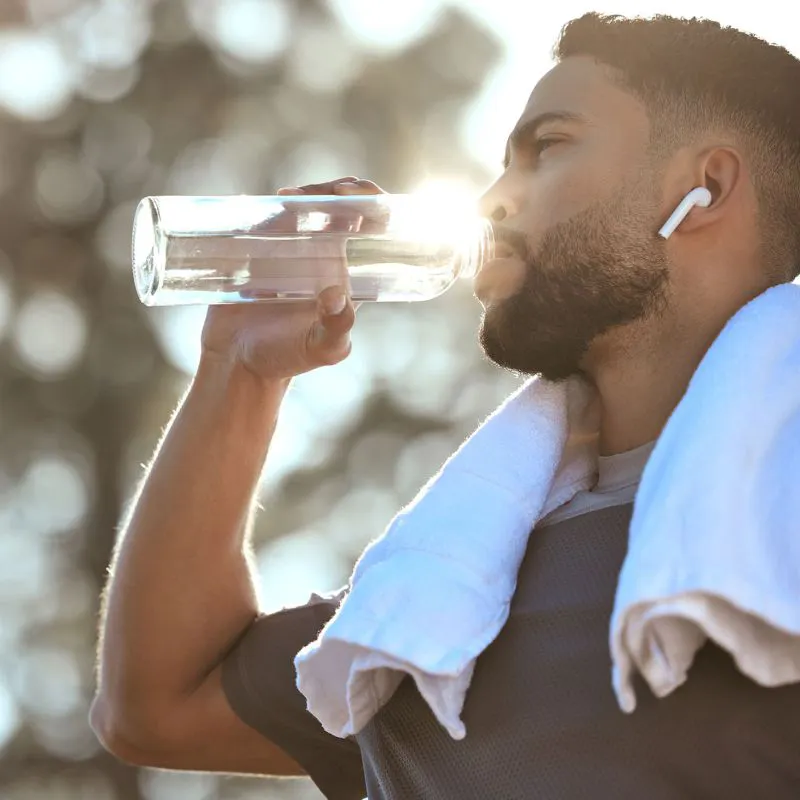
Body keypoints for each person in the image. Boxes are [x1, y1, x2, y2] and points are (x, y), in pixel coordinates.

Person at [90, 12, 800, 800]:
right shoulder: (448, 590)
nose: (494, 197)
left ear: (705, 189)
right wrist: (239, 371)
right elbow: (156, 705)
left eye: (549, 146)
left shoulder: (775, 533)